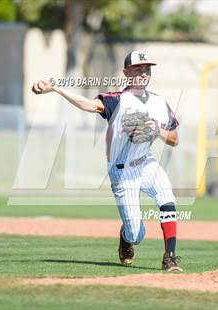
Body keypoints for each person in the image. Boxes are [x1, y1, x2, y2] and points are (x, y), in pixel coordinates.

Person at [32, 51, 182, 272]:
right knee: (136, 234)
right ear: (126, 73)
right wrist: (56, 88)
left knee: (167, 198)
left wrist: (156, 129)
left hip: (146, 162)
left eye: (147, 69)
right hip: (122, 170)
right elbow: (88, 105)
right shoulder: (117, 100)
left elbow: (174, 139)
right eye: (138, 69)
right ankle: (126, 236)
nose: (143, 73)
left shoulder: (160, 103)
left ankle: (170, 257)